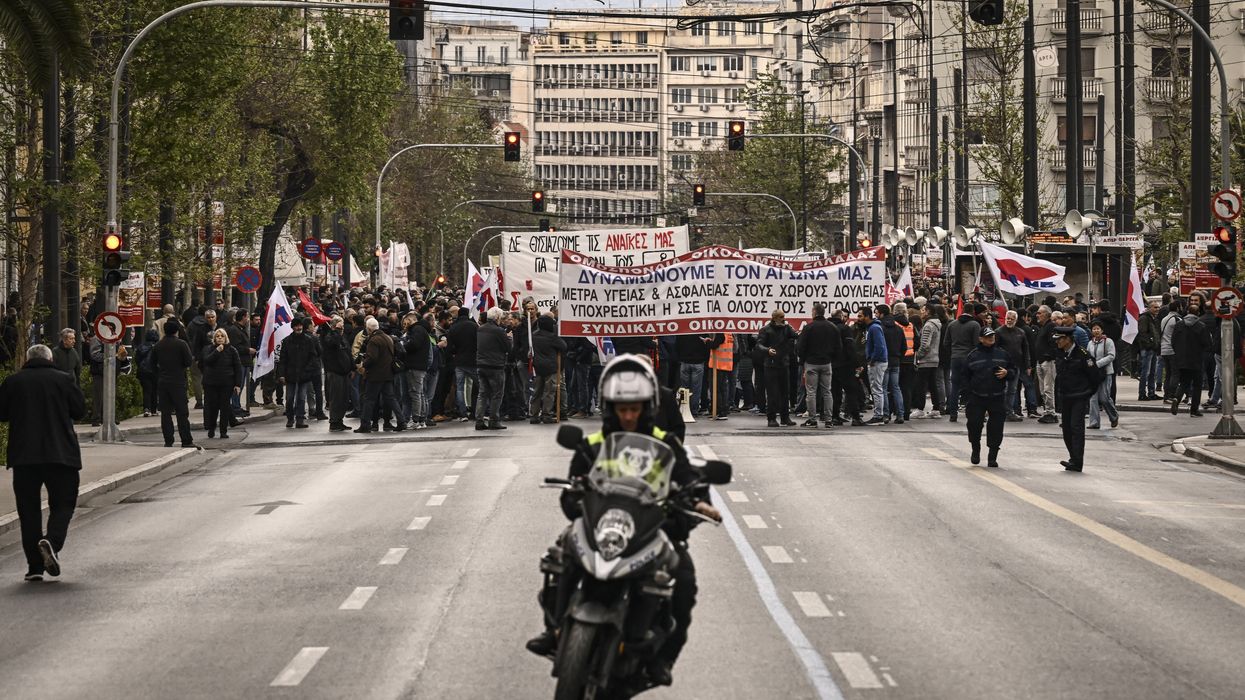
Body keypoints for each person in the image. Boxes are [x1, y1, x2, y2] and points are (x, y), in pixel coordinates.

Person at [525, 354, 720, 686]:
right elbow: (574, 490)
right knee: (560, 553)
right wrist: (573, 494)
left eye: (635, 408)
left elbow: (690, 480)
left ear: (648, 406)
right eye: (621, 408)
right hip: (603, 526)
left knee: (683, 580)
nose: (628, 415)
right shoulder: (594, 445)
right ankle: (554, 628)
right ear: (610, 407)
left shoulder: (666, 443)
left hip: (649, 528)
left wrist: (697, 503)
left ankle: (661, 658)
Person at [0, 344, 87, 581]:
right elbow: (80, 411)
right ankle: (52, 541)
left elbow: (2, 413)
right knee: (63, 504)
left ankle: (35, 567)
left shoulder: (13, 382)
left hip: (24, 456)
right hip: (61, 454)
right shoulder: (64, 379)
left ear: (27, 359)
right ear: (50, 359)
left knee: (28, 511)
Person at [963, 328, 1013, 468]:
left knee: (996, 427)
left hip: (997, 396)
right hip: (977, 396)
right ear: (981, 339)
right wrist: (968, 394)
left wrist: (1007, 373)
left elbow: (1013, 370)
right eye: (987, 336)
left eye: (992, 336)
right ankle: (975, 449)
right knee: (974, 424)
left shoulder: (1002, 354)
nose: (991, 338)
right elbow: (965, 376)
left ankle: (992, 456)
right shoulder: (973, 356)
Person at [1052, 325, 1098, 471]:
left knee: (1076, 428)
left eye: (1059, 339)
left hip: (1079, 396)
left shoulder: (1083, 355)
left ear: (1068, 339)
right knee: (1066, 429)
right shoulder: (1060, 354)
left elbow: (1095, 376)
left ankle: (1078, 462)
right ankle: (1073, 457)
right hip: (1065, 397)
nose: (1057, 342)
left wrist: (1087, 393)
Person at [357, 315, 406, 433]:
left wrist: (364, 364)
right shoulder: (388, 338)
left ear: (368, 329)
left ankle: (365, 424)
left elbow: (372, 358)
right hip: (388, 373)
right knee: (391, 398)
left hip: (375, 375)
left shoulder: (373, 340)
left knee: (369, 400)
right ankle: (401, 421)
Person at [152, 318, 195, 447]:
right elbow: (188, 362)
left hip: (163, 381)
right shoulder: (181, 344)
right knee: (182, 413)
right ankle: (186, 440)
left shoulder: (158, 345)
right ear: (176, 331)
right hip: (178, 381)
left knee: (165, 413)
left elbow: (152, 364)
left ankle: (168, 440)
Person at [797, 303, 839, 427]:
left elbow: (801, 347)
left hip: (811, 363)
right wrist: (832, 359)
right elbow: (838, 346)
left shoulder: (808, 328)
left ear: (814, 312)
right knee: (827, 391)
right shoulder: (832, 327)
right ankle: (828, 420)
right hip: (826, 363)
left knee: (811, 392)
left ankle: (812, 419)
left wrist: (802, 361)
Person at [756, 310, 798, 427]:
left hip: (784, 363)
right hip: (771, 364)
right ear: (774, 318)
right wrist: (767, 350)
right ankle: (771, 418)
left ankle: (785, 417)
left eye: (784, 316)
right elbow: (759, 345)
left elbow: (796, 335)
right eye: (781, 317)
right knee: (772, 392)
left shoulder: (786, 328)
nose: (783, 319)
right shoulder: (766, 330)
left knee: (785, 392)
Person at [200, 328, 242, 438]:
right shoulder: (209, 349)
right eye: (217, 336)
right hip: (211, 383)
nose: (219, 338)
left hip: (226, 383)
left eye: (221, 336)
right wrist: (217, 351)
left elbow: (237, 367)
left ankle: (223, 431)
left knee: (224, 407)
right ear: (214, 338)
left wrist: (238, 384)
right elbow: (207, 361)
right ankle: (211, 428)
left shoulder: (232, 350)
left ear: (225, 338)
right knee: (213, 407)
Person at [475, 306, 512, 430]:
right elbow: (507, 348)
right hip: (495, 365)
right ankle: (494, 420)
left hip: (481, 364)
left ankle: (479, 420)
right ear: (497, 317)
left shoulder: (480, 329)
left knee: (483, 393)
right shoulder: (499, 331)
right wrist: (509, 338)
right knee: (497, 394)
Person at [1169, 308, 1211, 417]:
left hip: (1182, 359)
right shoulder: (1201, 326)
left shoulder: (1179, 325)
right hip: (1196, 359)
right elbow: (1207, 343)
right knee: (1197, 385)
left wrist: (1178, 353)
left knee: (1184, 382)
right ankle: (1194, 410)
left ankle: (1176, 398)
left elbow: (1173, 341)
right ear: (1197, 314)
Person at [945, 305, 983, 423]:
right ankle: (972, 412)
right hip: (969, 358)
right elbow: (977, 344)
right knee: (972, 386)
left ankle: (953, 413)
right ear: (972, 312)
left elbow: (946, 343)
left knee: (955, 386)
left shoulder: (952, 324)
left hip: (955, 358)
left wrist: (954, 351)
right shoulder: (975, 325)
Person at [529, 314, 566, 423]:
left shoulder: (534, 335)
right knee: (549, 392)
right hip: (551, 367)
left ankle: (534, 415)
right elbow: (564, 347)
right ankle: (546, 414)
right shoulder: (552, 337)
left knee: (537, 392)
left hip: (538, 367)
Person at [995, 310, 1031, 422]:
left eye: (1011, 319)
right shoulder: (999, 332)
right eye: (1007, 318)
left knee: (1012, 389)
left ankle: (1009, 411)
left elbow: (1025, 349)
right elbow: (995, 349)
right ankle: (999, 411)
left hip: (1016, 365)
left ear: (1016, 320)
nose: (1009, 320)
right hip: (1002, 365)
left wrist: (1028, 365)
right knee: (1002, 389)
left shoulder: (1020, 332)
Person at [321, 315, 354, 432]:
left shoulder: (342, 337)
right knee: (336, 398)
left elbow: (348, 353)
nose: (343, 328)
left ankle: (339, 420)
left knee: (344, 398)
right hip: (335, 372)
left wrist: (352, 367)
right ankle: (334, 421)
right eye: (341, 325)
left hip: (345, 372)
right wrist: (335, 331)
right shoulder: (330, 336)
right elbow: (332, 344)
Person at [1086, 321, 1119, 430]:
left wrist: (1098, 363)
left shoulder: (1108, 342)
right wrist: (1089, 366)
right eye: (1094, 329)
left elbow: (1111, 356)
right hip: (1093, 374)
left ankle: (1113, 416)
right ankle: (1094, 422)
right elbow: (1088, 356)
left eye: (1098, 329)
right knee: (1093, 398)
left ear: (1102, 330)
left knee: (1104, 397)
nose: (1096, 331)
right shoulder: (1090, 343)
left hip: (1106, 372)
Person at [861, 306, 889, 425]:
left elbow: (879, 346)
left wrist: (872, 360)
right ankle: (879, 414)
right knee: (878, 388)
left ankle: (878, 415)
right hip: (878, 361)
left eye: (860, 315)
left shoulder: (874, 328)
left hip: (877, 362)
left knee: (876, 388)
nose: (859, 318)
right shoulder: (873, 328)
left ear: (867, 316)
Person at [1135, 300, 1163, 401]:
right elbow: (1142, 333)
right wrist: (1149, 344)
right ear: (1149, 308)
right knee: (1145, 372)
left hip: (1153, 348)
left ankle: (1151, 393)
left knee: (1152, 372)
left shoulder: (1154, 318)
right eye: (1155, 307)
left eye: (1158, 307)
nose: (1157, 309)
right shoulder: (1144, 318)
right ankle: (1142, 393)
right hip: (1147, 349)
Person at [134, 327, 160, 417]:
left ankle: (146, 409)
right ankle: (154, 409)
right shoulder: (158, 346)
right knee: (155, 390)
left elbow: (137, 359)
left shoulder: (141, 346)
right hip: (155, 371)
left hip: (143, 371)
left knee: (146, 390)